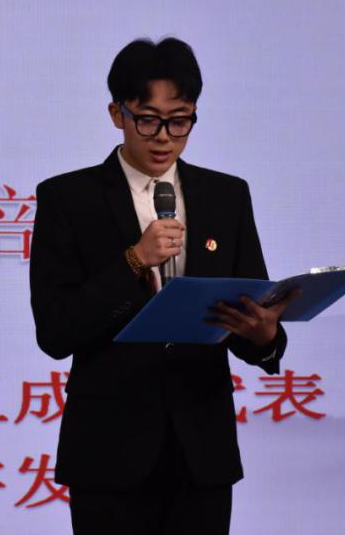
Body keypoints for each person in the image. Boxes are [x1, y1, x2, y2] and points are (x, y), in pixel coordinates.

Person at [29, 37, 298, 534]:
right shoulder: (68, 198)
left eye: (180, 121)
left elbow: (248, 307)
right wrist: (133, 260)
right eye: (148, 120)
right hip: (108, 453)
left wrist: (265, 338)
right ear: (117, 113)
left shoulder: (226, 196)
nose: (164, 138)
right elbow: (55, 331)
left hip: (202, 452)